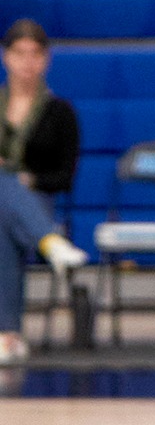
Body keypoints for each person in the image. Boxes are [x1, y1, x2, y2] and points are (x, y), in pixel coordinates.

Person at [0, 20, 88, 364]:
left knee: (3, 213)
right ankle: (51, 243)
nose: (27, 63)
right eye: (19, 54)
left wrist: (29, 181)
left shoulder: (60, 112)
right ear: (6, 58)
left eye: (35, 54)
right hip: (24, 217)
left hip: (37, 203)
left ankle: (7, 334)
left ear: (46, 60)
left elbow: (65, 177)